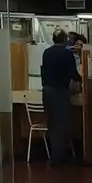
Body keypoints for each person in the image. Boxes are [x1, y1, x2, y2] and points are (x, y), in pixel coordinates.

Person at [39, 29, 80, 165]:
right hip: (59, 91)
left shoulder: (46, 52)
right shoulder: (67, 54)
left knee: (51, 123)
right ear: (64, 40)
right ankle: (58, 156)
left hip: (46, 90)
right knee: (61, 123)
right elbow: (73, 74)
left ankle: (53, 154)